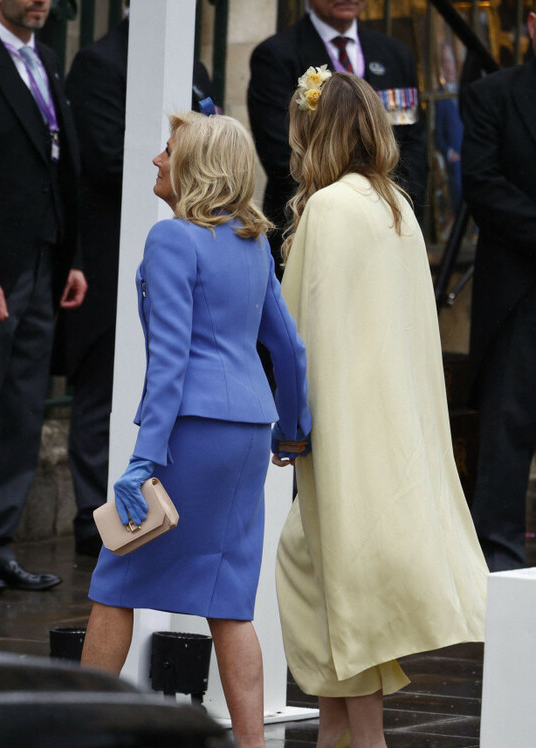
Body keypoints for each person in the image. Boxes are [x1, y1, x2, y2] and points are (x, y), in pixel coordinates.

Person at [80, 111, 311, 748]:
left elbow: (171, 364)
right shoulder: (252, 240)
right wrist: (292, 432)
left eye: (167, 150)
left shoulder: (173, 240)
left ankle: (77, 728)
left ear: (194, 166)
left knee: (115, 580)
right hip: (246, 436)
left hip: (188, 435)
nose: (157, 160)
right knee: (229, 599)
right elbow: (288, 350)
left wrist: (142, 461)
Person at [272, 69, 487, 748]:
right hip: (388, 429)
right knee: (334, 592)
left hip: (343, 433)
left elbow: (300, 333)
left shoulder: (330, 209)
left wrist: (292, 425)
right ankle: (348, 738)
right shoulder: (393, 203)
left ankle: (366, 741)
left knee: (332, 589)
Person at [63, 6, 219, 557]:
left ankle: (144, 506)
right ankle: (90, 516)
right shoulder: (99, 62)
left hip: (185, 245)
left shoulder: (193, 65)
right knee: (104, 380)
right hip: (110, 251)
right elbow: (107, 159)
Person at [0, 0, 87, 595]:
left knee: (21, 411)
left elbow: (60, 165)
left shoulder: (47, 59)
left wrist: (72, 258)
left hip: (45, 261)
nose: (40, 1)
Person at [247, 0, 427, 276]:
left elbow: (413, 141)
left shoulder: (395, 54)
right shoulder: (276, 55)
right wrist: (347, 204)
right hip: (309, 230)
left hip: (389, 229)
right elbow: (281, 154)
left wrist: (386, 205)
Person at [461, 6, 536, 572]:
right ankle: (500, 576)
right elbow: (482, 185)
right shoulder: (493, 95)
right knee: (506, 438)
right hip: (518, 297)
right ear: (532, 24)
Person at [435, 42, 463, 213]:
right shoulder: (439, 97)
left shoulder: (466, 91)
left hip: (472, 156)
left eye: (451, 61)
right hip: (455, 162)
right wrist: (448, 152)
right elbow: (437, 134)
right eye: (445, 61)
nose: (449, 66)